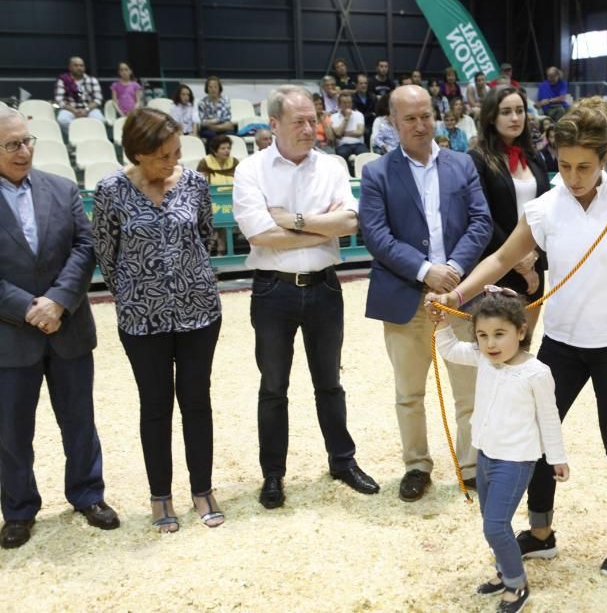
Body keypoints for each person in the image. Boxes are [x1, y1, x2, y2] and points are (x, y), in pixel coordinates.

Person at [428, 96, 607, 576]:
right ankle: (541, 531)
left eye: (585, 167)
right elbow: (499, 260)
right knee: (534, 438)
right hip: (563, 344)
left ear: (604, 160)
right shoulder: (544, 208)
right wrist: (456, 297)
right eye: (566, 165)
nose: (574, 177)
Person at [233, 85, 379, 508]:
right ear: (273, 124)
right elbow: (259, 234)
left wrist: (294, 221)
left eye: (312, 120)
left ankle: (343, 461)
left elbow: (350, 222)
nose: (309, 128)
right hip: (272, 290)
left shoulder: (332, 165)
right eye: (298, 121)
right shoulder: (251, 170)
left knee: (329, 383)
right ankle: (273, 475)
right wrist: (321, 226)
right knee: (273, 387)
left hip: (324, 287)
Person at [92, 107, 224, 533]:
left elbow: (205, 238)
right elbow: (106, 257)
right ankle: (160, 495)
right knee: (155, 407)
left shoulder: (195, 183)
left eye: (176, 152)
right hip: (141, 321)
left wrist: (186, 282)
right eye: (162, 155)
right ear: (137, 153)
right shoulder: (110, 190)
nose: (171, 162)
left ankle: (202, 489)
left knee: (196, 401)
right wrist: (138, 292)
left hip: (199, 314)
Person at [359, 85, 492, 502]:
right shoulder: (377, 172)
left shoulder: (462, 164)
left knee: (468, 391)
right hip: (405, 296)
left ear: (435, 116)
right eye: (410, 119)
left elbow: (480, 221)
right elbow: (376, 235)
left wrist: (452, 270)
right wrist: (424, 271)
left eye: (425, 116)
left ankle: (470, 466)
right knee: (409, 392)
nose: (420, 125)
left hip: (459, 295)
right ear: (393, 124)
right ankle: (416, 466)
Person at [0, 108, 119, 549]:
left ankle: (88, 494)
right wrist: (29, 307)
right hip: (11, 334)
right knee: (11, 430)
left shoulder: (63, 188)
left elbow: (86, 247)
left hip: (67, 325)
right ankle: (18, 510)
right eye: (12, 144)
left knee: (79, 419)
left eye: (27, 140)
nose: (25, 150)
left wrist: (58, 301)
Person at [431, 287, 568, 613]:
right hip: (486, 454)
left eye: (499, 334)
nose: (490, 343)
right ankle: (504, 571)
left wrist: (557, 457)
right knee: (490, 522)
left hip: (517, 460)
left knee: (495, 525)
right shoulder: (481, 357)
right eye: (482, 335)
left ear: (521, 332)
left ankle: (517, 584)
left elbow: (549, 418)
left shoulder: (537, 373)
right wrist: (441, 322)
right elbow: (449, 348)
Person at [469, 85, 550, 336]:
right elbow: (483, 217)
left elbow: (547, 208)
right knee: (498, 346)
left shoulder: (535, 157)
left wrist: (533, 255)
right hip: (498, 264)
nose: (515, 118)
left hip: (534, 262)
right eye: (506, 112)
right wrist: (518, 259)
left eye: (519, 110)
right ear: (491, 117)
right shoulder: (477, 158)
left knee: (524, 344)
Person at [54, 56, 104, 134]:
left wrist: (86, 110)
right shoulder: (63, 80)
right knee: (62, 120)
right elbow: (59, 100)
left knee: (99, 119)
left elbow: (98, 99)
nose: (79, 68)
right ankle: (78, 136)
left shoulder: (92, 80)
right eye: (76, 65)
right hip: (70, 110)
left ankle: (89, 137)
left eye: (81, 65)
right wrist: (74, 111)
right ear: (70, 67)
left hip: (89, 109)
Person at [330, 92, 366, 168]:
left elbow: (360, 132)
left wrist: (344, 133)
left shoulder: (359, 115)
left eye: (349, 102)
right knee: (342, 154)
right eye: (344, 103)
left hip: (358, 144)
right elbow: (338, 133)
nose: (347, 105)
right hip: (343, 145)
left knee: (364, 155)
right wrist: (347, 118)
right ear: (339, 104)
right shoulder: (333, 117)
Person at [198, 75, 235, 140]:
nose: (213, 89)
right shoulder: (202, 103)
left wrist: (215, 125)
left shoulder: (225, 100)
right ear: (207, 89)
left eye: (215, 87)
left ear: (219, 88)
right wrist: (218, 121)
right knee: (212, 135)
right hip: (208, 129)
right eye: (210, 87)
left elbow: (227, 118)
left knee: (232, 134)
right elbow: (203, 122)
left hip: (222, 127)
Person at [352, 74, 378, 144]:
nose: (364, 85)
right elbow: (355, 116)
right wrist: (369, 114)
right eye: (361, 83)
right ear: (356, 85)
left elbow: (376, 113)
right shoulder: (352, 98)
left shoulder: (373, 97)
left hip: (372, 123)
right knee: (366, 132)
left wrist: (369, 115)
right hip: (358, 125)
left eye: (365, 83)